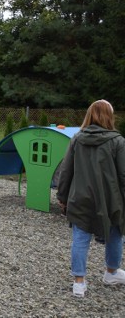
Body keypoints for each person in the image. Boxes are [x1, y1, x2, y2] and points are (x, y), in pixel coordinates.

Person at [56, 99, 125, 298]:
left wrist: (62, 196)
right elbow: (123, 175)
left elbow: (65, 170)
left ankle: (79, 282)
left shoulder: (77, 139)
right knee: (115, 234)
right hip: (111, 199)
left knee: (80, 238)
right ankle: (111, 272)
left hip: (80, 198)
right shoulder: (118, 141)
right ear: (109, 116)